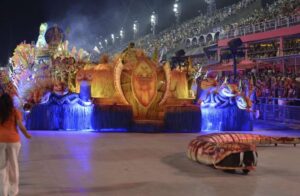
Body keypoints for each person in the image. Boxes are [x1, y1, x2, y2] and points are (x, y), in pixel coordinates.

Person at [0, 93, 31, 196]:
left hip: (0, 140)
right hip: (13, 141)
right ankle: (12, 191)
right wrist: (26, 134)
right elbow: (20, 125)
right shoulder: (14, 111)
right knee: (13, 165)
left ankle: (3, 191)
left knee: (2, 167)